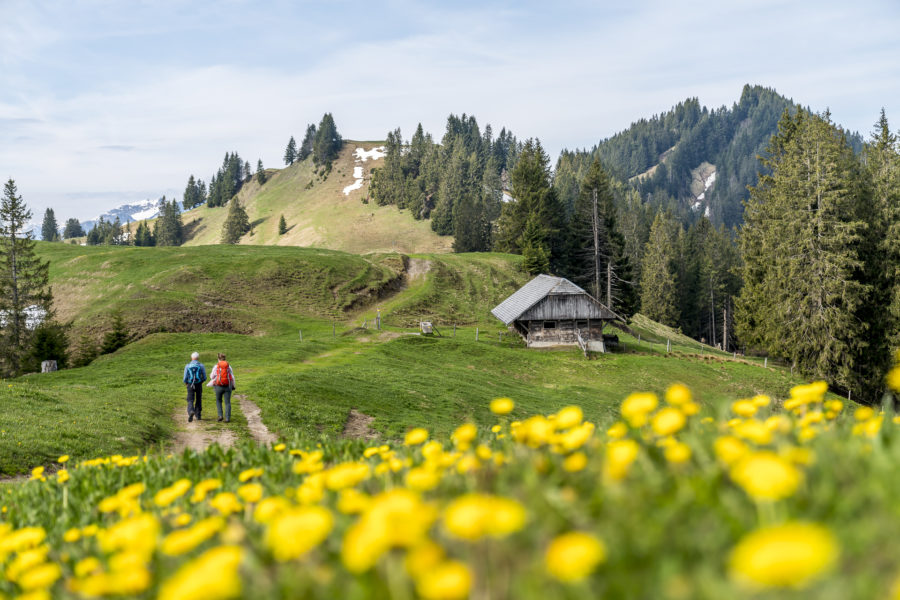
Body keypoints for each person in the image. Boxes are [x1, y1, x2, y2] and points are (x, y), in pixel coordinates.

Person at [207, 352, 236, 422]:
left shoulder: (216, 366)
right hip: (227, 386)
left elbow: (212, 376)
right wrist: (233, 385)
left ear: (218, 359)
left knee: (218, 401)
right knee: (227, 402)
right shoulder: (229, 366)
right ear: (225, 358)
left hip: (218, 386)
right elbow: (232, 377)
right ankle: (228, 418)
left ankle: (220, 416)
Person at [183, 351, 207, 422]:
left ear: (191, 358)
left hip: (190, 384)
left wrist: (186, 383)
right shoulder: (201, 365)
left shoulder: (187, 366)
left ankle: (191, 411)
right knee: (198, 399)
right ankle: (198, 415)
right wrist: (201, 382)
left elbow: (185, 377)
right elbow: (205, 377)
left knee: (190, 399)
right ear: (198, 358)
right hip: (198, 384)